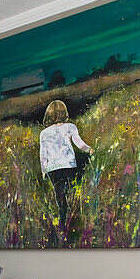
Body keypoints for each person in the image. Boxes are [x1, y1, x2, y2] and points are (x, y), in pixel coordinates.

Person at [39, 99, 94, 232]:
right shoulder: (71, 127)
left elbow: (43, 153)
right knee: (70, 190)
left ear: (48, 115)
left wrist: (43, 169)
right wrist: (90, 150)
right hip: (68, 164)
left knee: (59, 193)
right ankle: (73, 217)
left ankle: (63, 219)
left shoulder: (44, 133)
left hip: (52, 168)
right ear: (64, 113)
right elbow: (79, 143)